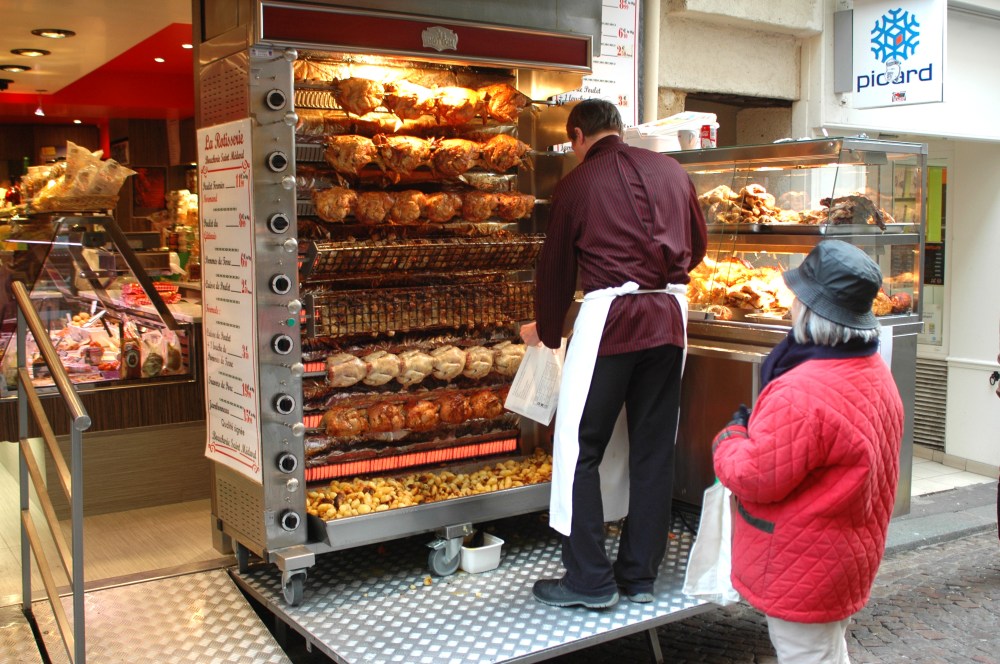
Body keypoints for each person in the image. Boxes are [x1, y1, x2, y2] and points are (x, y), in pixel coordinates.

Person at [520, 98, 707, 609]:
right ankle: (639, 576)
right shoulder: (671, 170)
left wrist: (549, 331)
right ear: (619, 129)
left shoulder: (577, 183)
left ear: (578, 137)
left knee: (580, 445)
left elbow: (556, 268)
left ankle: (589, 580)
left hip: (612, 320)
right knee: (653, 447)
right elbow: (697, 246)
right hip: (669, 319)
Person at [712, 240, 904, 663]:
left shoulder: (801, 390)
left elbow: (753, 476)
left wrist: (730, 436)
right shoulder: (874, 371)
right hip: (846, 555)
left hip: (803, 562)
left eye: (798, 297)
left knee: (808, 655)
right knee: (827, 652)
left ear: (810, 310)